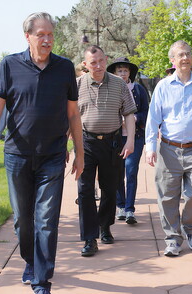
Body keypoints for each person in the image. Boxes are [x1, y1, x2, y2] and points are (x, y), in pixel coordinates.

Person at [0, 12, 83, 294]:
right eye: (41, 34)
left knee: (46, 221)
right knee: (23, 222)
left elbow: (73, 114)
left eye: (51, 34)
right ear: (27, 36)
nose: (47, 39)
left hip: (53, 155)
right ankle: (30, 261)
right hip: (17, 155)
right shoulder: (10, 65)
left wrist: (80, 152)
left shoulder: (64, 68)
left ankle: (42, 283)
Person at [145, 40, 192, 257]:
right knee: (167, 196)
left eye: (187, 54)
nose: (185, 58)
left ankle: (190, 228)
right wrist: (150, 147)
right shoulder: (163, 86)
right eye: (180, 55)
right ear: (173, 60)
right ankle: (172, 238)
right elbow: (153, 119)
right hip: (168, 149)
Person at [77, 45, 137, 257]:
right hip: (86, 143)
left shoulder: (119, 84)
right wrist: (67, 146)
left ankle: (105, 226)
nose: (99, 65)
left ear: (106, 59)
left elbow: (129, 114)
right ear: (85, 65)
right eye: (93, 62)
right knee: (84, 191)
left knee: (110, 189)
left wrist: (129, 140)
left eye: (101, 60)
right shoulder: (77, 85)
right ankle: (89, 238)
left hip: (112, 143)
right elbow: (70, 117)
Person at [106, 57, 149, 224]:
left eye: (125, 71)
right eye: (119, 71)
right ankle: (121, 206)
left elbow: (147, 111)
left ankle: (130, 209)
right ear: (114, 73)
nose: (122, 74)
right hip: (116, 137)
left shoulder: (138, 89)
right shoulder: (111, 88)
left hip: (135, 137)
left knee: (131, 171)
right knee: (117, 172)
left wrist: (135, 118)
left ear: (130, 73)